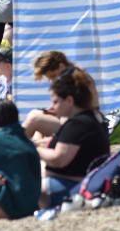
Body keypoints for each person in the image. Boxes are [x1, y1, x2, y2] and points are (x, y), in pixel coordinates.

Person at [38, 67, 110, 208]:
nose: (52, 107)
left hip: (69, 189)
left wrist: (34, 149)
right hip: (80, 184)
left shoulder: (78, 124)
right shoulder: (92, 117)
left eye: (56, 102)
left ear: (70, 101)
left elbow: (59, 159)